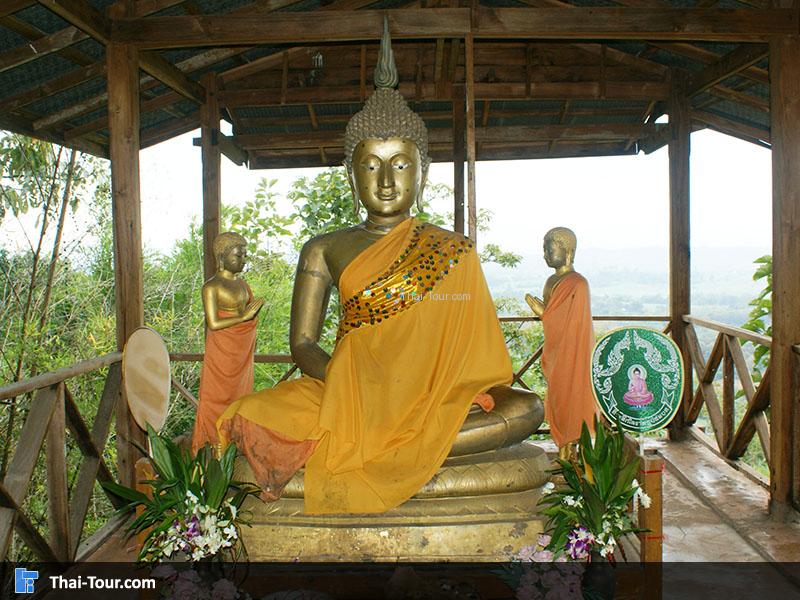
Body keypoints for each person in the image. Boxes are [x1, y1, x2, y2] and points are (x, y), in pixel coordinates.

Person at [217, 22, 529, 515]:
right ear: (350, 172)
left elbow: (477, 358)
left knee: (527, 409)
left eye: (401, 164)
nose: (386, 180)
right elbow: (302, 344)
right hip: (348, 391)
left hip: (432, 397)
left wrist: (429, 391)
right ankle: (401, 448)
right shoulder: (323, 249)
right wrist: (347, 383)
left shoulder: (453, 252)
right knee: (251, 418)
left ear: (422, 171)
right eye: (371, 165)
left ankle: (395, 443)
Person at [526, 227, 598, 457]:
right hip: (558, 355)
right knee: (559, 402)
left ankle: (577, 459)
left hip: (575, 355)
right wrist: (546, 314)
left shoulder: (578, 283)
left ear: (567, 251)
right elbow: (556, 319)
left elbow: (574, 323)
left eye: (550, 248)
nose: (545, 254)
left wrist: (543, 313)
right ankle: (564, 455)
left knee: (574, 403)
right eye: (544, 249)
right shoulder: (551, 281)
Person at [191, 232, 263, 454]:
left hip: (240, 351)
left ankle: (234, 441)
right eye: (238, 255)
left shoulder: (242, 284)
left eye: (244, 255)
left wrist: (250, 316)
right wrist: (243, 318)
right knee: (216, 396)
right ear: (222, 256)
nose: (243, 260)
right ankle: (213, 442)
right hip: (222, 349)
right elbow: (213, 323)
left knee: (240, 396)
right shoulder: (212, 286)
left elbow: (248, 311)